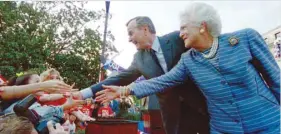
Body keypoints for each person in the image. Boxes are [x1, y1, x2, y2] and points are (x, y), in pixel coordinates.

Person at [96, 2, 280, 134]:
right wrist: (124, 90)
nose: (180, 33)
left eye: (184, 27)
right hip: (224, 128)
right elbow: (162, 82)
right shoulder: (188, 60)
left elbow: (276, 80)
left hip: (269, 123)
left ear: (202, 26)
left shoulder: (245, 39)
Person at [74, 16, 209, 134]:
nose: (129, 39)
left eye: (131, 33)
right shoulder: (139, 59)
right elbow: (119, 78)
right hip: (174, 117)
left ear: (145, 29)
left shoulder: (176, 38)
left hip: (202, 108)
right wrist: (83, 93)